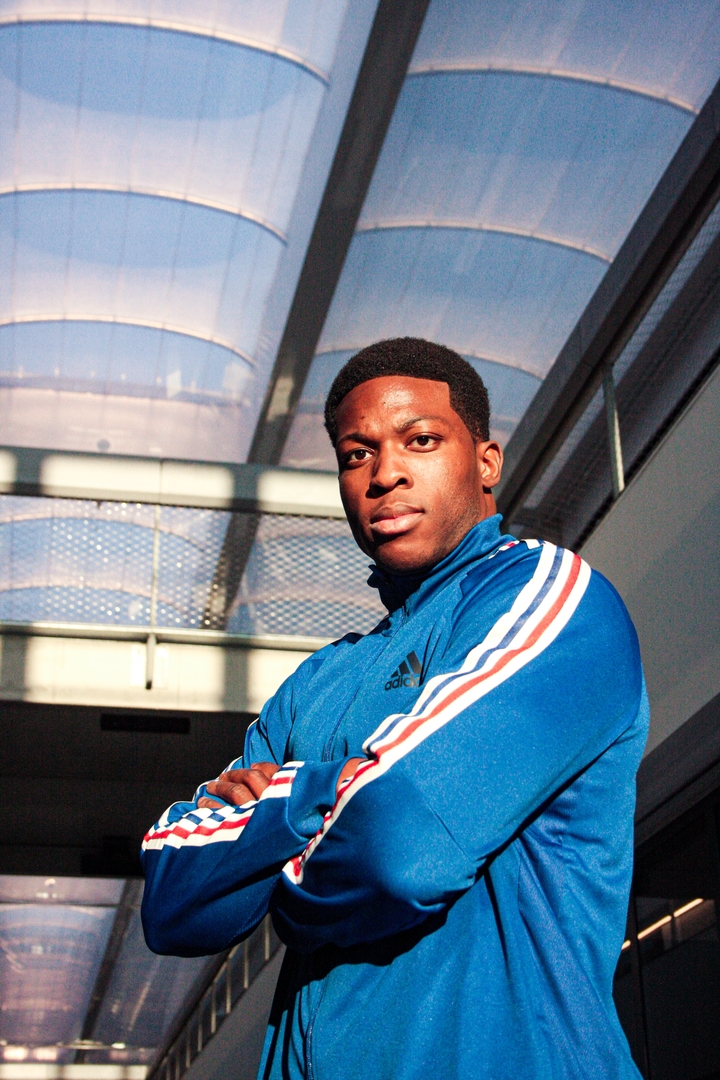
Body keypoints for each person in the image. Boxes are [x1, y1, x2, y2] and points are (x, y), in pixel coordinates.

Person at [141, 337, 648, 1080]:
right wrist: (329, 793)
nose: (385, 474)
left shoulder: (550, 596)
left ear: (486, 462)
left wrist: (271, 833)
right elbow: (174, 904)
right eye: (357, 454)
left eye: (421, 440)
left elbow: (399, 846)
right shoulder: (318, 680)